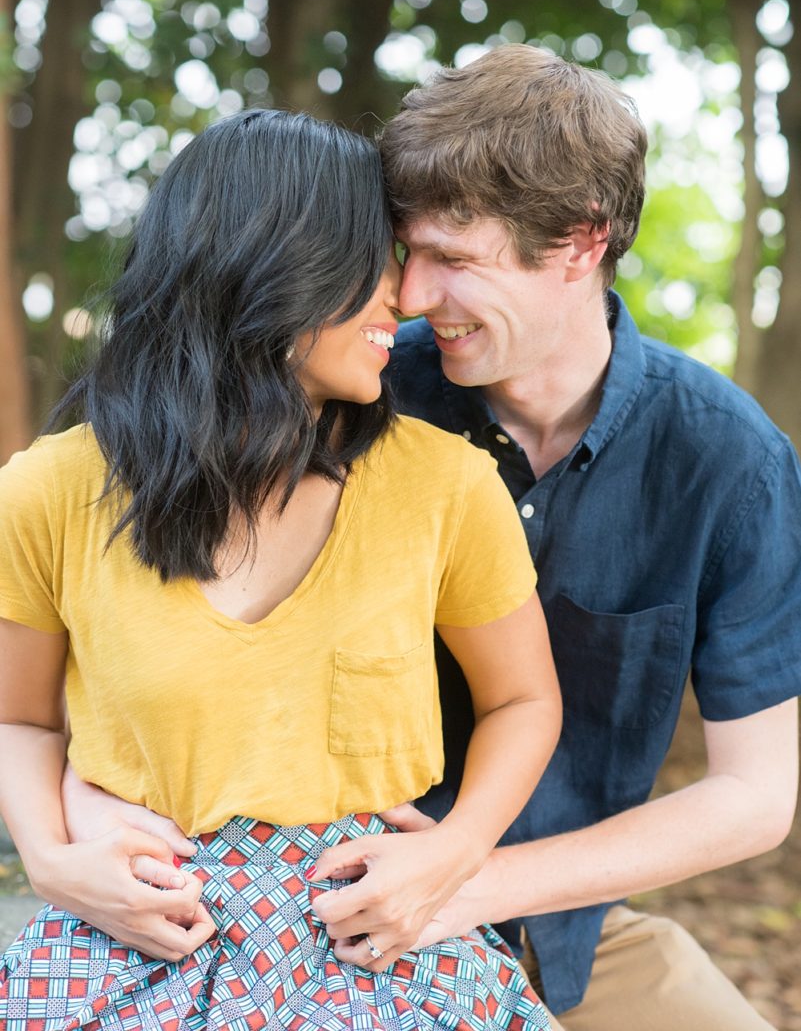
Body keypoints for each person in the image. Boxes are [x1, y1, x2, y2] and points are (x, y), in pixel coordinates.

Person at [0, 109, 562, 1030]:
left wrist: (456, 850)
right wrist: (53, 861)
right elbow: (18, 718)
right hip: (130, 951)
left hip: (379, 954)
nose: (405, 298)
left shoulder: (445, 487)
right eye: (371, 260)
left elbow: (523, 701)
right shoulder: (49, 494)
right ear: (270, 266)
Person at [372, 44, 801, 1031]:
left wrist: (471, 887)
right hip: (332, 911)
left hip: (557, 931)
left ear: (578, 244)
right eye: (410, 251)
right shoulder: (365, 398)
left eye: (455, 258)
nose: (410, 294)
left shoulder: (731, 462)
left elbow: (753, 794)